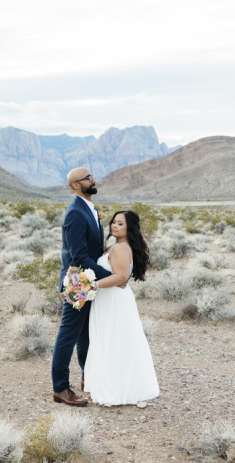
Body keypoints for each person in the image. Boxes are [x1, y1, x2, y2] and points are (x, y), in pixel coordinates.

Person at [51, 167, 125, 406]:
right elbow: (80, 257)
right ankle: (60, 388)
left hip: (89, 281)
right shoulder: (75, 213)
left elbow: (92, 250)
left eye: (92, 176)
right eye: (88, 178)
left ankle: (87, 377)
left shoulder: (89, 209)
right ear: (75, 185)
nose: (94, 180)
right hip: (77, 282)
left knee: (86, 334)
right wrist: (114, 277)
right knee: (68, 335)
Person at [83, 210, 160, 406]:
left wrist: (91, 286)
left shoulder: (120, 249)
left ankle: (118, 389)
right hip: (109, 299)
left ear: (129, 228)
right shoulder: (116, 246)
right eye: (114, 222)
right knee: (112, 340)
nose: (114, 226)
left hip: (114, 300)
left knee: (114, 340)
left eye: (120, 223)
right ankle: (114, 384)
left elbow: (121, 277)